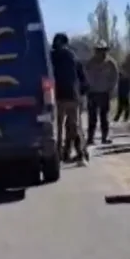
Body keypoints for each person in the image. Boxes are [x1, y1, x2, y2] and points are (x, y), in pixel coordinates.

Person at [49, 33, 88, 165]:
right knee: (75, 126)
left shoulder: (51, 57)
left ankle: (59, 154)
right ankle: (80, 153)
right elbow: (82, 77)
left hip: (58, 96)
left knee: (58, 128)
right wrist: (82, 94)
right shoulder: (73, 56)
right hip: (72, 95)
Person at [82, 40, 119, 145]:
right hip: (92, 93)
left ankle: (104, 137)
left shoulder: (111, 63)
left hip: (104, 93)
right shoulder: (90, 63)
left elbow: (115, 77)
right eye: (98, 50)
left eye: (103, 50)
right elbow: (85, 76)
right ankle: (90, 138)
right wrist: (87, 88)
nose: (101, 52)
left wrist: (111, 88)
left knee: (104, 117)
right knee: (92, 117)